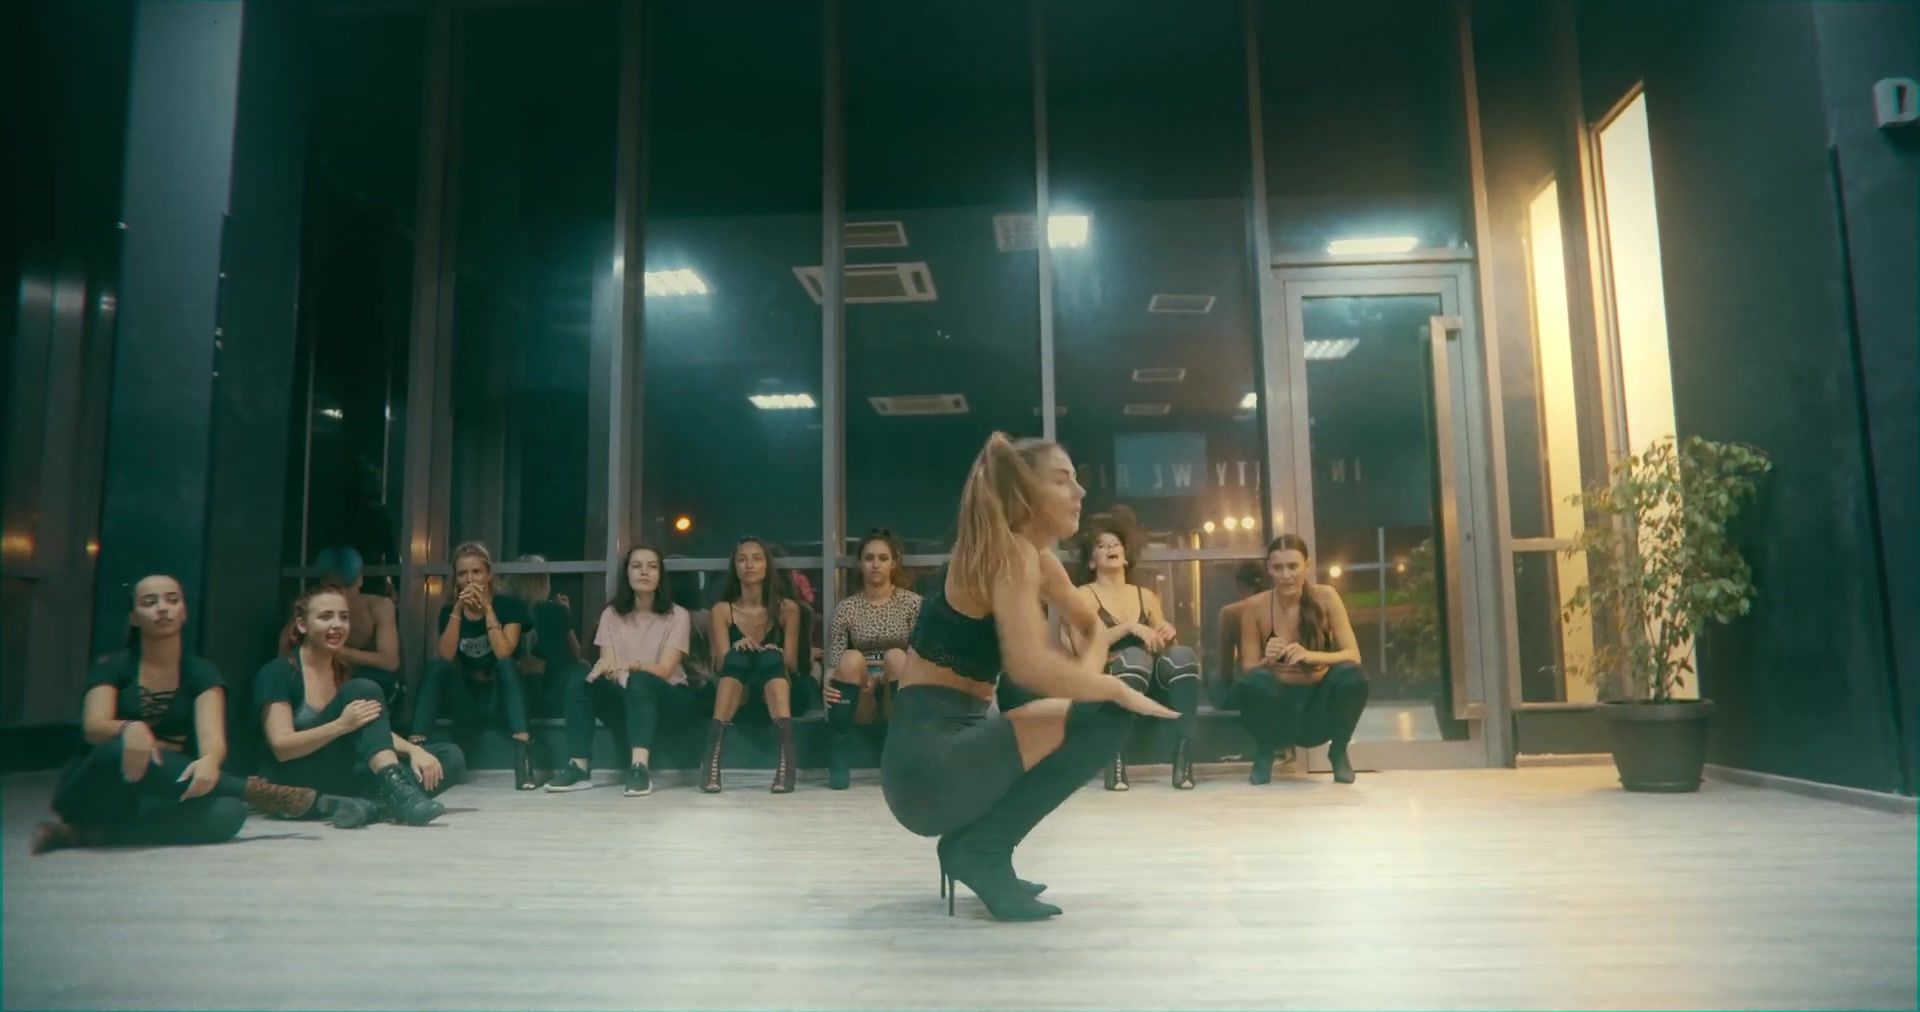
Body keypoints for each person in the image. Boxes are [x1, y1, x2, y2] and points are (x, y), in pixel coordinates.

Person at [881, 433, 1178, 921]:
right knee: (1109, 712)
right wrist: (1110, 688)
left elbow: (1091, 626)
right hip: (929, 769)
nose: (1080, 492)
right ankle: (982, 849)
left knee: (1100, 712)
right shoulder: (1008, 554)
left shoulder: (1035, 559)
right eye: (1062, 481)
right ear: (1025, 495)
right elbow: (1028, 665)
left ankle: (974, 845)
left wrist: (1088, 682)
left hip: (949, 759)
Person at [32, 574, 373, 853]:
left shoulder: (201, 673)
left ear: (184, 612)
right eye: (149, 602)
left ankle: (90, 836)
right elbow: (93, 727)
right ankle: (255, 790)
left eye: (172, 600)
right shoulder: (113, 665)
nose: (162, 608)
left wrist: (210, 762)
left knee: (229, 814)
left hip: (164, 789)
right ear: (134, 617)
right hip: (99, 789)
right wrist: (130, 728)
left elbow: (213, 744)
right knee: (115, 750)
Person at [257, 584, 464, 824]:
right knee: (363, 688)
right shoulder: (278, 672)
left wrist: (413, 750)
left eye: (343, 617)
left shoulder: (344, 670)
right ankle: (397, 798)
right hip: (297, 779)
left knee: (449, 756)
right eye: (326, 617)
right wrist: (340, 726)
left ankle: (371, 806)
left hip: (341, 775)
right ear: (302, 625)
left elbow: (370, 727)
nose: (337, 625)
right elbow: (282, 747)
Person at [1067, 508, 1203, 791]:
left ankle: (1183, 754)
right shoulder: (1084, 595)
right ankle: (1114, 756)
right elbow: (1083, 650)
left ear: (1126, 555)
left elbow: (1163, 645)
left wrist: (1167, 633)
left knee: (1183, 657)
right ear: (1091, 561)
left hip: (1149, 679)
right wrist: (1129, 627)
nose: (1110, 549)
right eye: (1101, 546)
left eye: (1115, 544)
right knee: (1133, 658)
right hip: (1108, 680)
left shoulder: (1146, 596)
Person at [546, 545, 697, 797]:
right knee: (581, 679)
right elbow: (609, 665)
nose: (644, 572)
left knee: (640, 681)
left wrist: (633, 665)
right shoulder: (611, 614)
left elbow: (664, 670)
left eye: (652, 566)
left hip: (670, 701)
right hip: (628, 699)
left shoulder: (677, 615)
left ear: (660, 574)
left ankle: (639, 768)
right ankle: (579, 767)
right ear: (627, 573)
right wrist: (602, 670)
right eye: (637, 566)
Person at [1230, 534, 1370, 785]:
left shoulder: (1326, 597)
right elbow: (1247, 669)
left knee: (1352, 676)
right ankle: (1265, 752)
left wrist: (1310, 655)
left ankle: (1338, 751)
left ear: (1307, 566)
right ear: (1269, 570)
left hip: (1318, 707)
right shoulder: (1255, 606)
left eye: (1293, 566)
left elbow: (1353, 655)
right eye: (1278, 568)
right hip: (1279, 708)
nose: (1286, 575)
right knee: (1252, 682)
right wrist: (1267, 659)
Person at [410, 541, 539, 789]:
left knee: (506, 666)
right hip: (467, 698)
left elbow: (504, 652)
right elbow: (445, 656)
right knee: (436, 666)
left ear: (488, 574)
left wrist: (488, 609)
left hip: (499, 697)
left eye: (476, 572)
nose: (470, 579)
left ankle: (523, 756)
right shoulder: (449, 611)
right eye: (463, 574)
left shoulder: (510, 607)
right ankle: (415, 748)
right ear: (456, 579)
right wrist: (458, 609)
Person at [698, 537, 803, 794]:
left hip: (778, 691)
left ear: (767, 565)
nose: (749, 565)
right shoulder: (722, 610)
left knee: (771, 658)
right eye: (742, 559)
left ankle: (786, 764)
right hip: (738, 694)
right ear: (734, 567)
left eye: (756, 558)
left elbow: (791, 662)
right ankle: (712, 762)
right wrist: (739, 646)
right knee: (737, 658)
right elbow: (721, 663)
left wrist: (772, 650)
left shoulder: (787, 609)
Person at [822, 528, 921, 789]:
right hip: (861, 693)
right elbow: (833, 665)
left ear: (893, 563)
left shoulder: (912, 604)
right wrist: (828, 685)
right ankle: (839, 753)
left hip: (896, 689)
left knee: (897, 657)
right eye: (869, 558)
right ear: (859, 564)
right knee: (851, 658)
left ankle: (904, 756)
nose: (875, 564)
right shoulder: (846, 609)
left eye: (883, 558)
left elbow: (921, 659)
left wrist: (884, 676)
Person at [311, 545, 404, 712]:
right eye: (334, 587)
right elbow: (287, 653)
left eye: (348, 586)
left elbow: (390, 661)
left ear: (360, 580)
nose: (342, 595)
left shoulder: (379, 606)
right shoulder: (310, 608)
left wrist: (338, 651)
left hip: (369, 684)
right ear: (323, 584)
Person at [499, 555, 582, 719]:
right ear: (543, 583)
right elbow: (577, 653)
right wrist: (564, 614)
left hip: (511, 696)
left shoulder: (503, 609)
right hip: (551, 696)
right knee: (582, 668)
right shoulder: (556, 612)